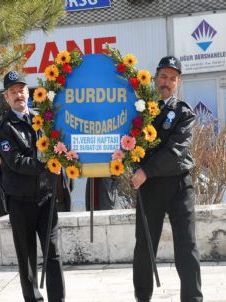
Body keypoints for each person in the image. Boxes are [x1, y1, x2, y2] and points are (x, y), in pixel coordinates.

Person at [131, 56, 203, 302]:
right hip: (149, 187)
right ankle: (142, 297)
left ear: (178, 82)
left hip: (179, 186)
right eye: (164, 76)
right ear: (155, 77)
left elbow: (176, 151)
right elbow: (129, 143)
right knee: (144, 247)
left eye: (173, 78)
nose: (167, 82)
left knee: (187, 247)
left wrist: (146, 170)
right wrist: (133, 164)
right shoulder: (139, 109)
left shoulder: (183, 112)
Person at [0, 71, 65, 302]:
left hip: (46, 199)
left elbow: (58, 145)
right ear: (6, 98)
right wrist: (47, 163)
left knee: (53, 254)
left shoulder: (42, 120)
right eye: (12, 92)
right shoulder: (5, 129)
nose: (18, 95)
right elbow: (16, 163)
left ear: (28, 92)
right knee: (27, 259)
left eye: (21, 90)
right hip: (20, 202)